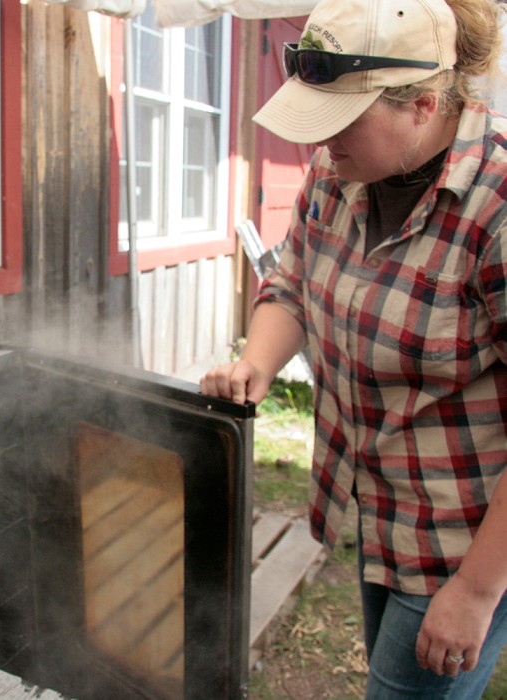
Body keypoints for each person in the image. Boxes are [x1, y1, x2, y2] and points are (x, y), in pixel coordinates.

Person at [199, 0, 507, 697]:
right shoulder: (337, 172)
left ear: (423, 105)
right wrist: (256, 364)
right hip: (377, 503)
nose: (321, 140)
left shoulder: (497, 207)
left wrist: (477, 591)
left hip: (465, 536)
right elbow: (292, 284)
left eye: (340, 119)